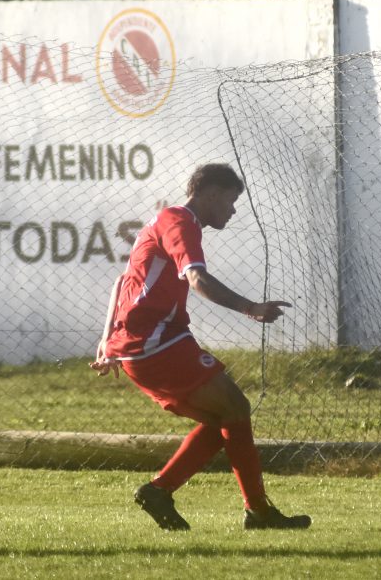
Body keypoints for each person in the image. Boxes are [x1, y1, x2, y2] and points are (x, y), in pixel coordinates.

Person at [91, 163, 311, 531]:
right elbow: (197, 278)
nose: (233, 209)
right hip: (156, 343)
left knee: (226, 418)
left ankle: (162, 491)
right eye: (230, 199)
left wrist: (106, 338)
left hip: (141, 344)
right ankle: (256, 512)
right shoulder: (181, 222)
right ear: (209, 193)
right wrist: (250, 308)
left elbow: (122, 280)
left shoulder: (165, 220)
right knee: (236, 408)